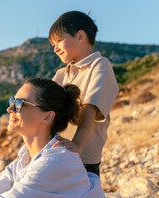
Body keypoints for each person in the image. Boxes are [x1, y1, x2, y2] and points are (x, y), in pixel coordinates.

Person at [49, 11, 119, 176]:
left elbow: (89, 108)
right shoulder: (60, 74)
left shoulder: (100, 65)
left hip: (83, 157)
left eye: (59, 41)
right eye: (52, 45)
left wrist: (77, 145)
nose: (55, 49)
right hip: (58, 151)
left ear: (80, 36)